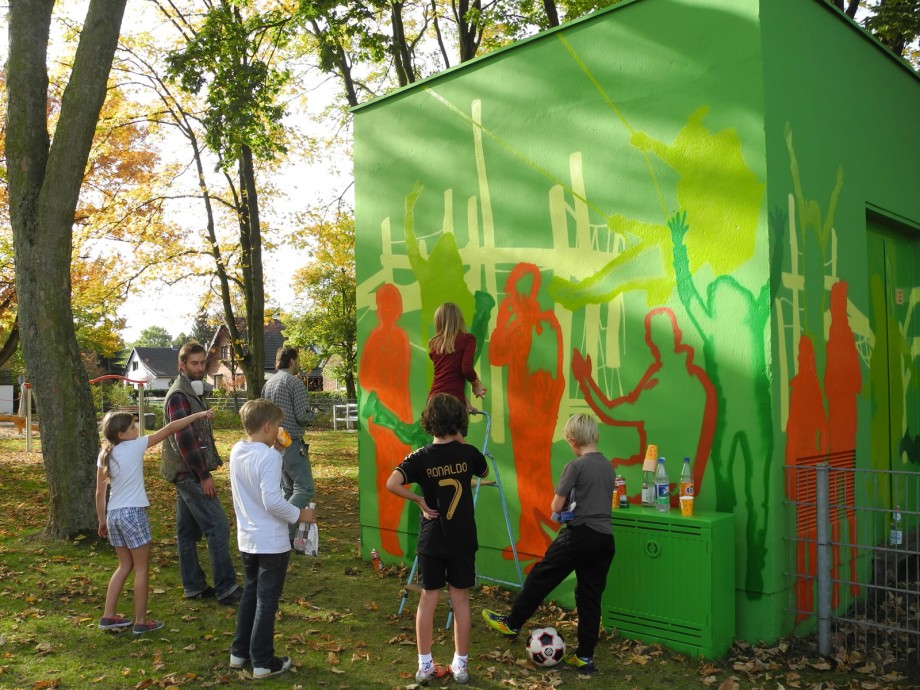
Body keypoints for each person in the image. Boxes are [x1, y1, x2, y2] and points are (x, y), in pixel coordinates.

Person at [482, 413, 616, 673]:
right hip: (605, 538)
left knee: (542, 575)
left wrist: (563, 508)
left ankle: (512, 622)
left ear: (570, 439)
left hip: (579, 534)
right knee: (590, 596)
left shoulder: (575, 466)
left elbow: (556, 505)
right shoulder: (608, 467)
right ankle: (585, 656)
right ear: (595, 436)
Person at [385, 394, 488, 685]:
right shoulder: (468, 454)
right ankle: (461, 665)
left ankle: (425, 665)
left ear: (429, 422)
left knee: (428, 597)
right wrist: (460, 440)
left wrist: (418, 499)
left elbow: (392, 483)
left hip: (432, 538)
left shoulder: (420, 456)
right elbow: (484, 470)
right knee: (461, 599)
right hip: (463, 538)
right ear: (458, 422)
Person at [95, 407, 214, 635]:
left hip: (114, 515)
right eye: (132, 427)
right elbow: (171, 428)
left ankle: (108, 615)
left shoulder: (104, 453)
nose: (136, 429)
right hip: (133, 513)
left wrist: (102, 520)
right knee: (141, 568)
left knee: (124, 566)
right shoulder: (136, 445)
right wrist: (199, 415)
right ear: (121, 434)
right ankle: (141, 621)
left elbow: (100, 493)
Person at [229, 399, 316, 679]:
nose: (279, 429)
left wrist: (277, 450)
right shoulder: (265, 457)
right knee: (267, 600)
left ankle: (239, 652)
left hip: (248, 538)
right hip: (271, 541)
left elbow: (261, 470)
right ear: (268, 426)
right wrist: (299, 514)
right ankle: (263, 660)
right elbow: (272, 500)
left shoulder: (238, 450)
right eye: (277, 425)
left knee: (251, 593)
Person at [161, 341, 240, 606]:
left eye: (202, 363)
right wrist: (203, 475)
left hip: (186, 472)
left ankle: (193, 586)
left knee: (186, 532)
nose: (199, 368)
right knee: (217, 525)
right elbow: (184, 441)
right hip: (189, 473)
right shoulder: (179, 396)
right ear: (181, 365)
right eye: (193, 363)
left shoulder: (193, 392)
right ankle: (226, 588)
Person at [261, 345, 315, 546]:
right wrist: (314, 414)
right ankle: (281, 528)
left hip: (273, 443)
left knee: (287, 489)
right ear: (292, 361)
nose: (299, 364)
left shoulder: (269, 384)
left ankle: (289, 537)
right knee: (305, 488)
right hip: (291, 442)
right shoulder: (294, 383)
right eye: (298, 359)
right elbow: (302, 416)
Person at [429, 302, 486, 413]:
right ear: (459, 320)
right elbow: (466, 369)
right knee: (456, 430)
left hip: (433, 401)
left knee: (441, 430)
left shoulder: (435, 346)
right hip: (453, 403)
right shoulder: (467, 340)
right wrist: (476, 385)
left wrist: (465, 402)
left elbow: (447, 379)